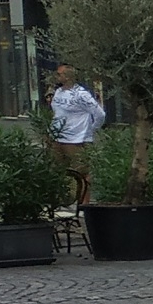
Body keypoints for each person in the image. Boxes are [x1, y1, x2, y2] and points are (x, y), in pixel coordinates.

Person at [48, 65, 104, 206]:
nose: (57, 77)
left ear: (67, 77)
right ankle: (61, 201)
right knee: (57, 170)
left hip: (77, 139)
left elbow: (99, 113)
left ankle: (83, 204)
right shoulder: (58, 92)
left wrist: (92, 128)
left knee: (81, 172)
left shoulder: (81, 94)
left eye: (59, 74)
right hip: (58, 137)